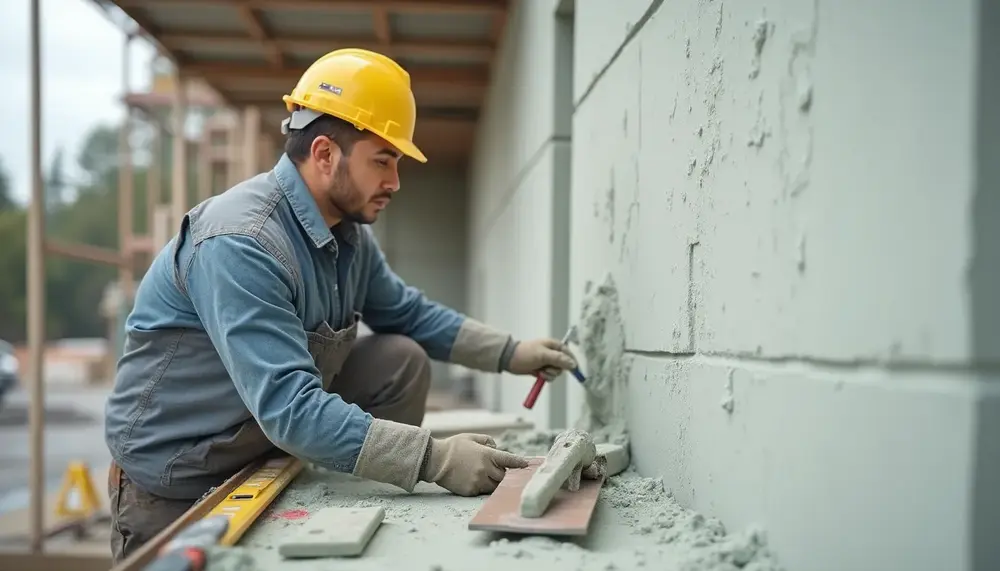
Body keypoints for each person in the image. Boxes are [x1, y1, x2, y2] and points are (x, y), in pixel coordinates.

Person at [102, 47, 579, 563]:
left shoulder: (347, 236)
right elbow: (290, 408)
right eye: (383, 160)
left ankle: (336, 498)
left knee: (398, 358)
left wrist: (513, 352)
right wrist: (435, 459)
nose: (394, 182)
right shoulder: (241, 241)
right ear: (325, 153)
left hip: (265, 445)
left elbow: (410, 315)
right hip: (179, 478)